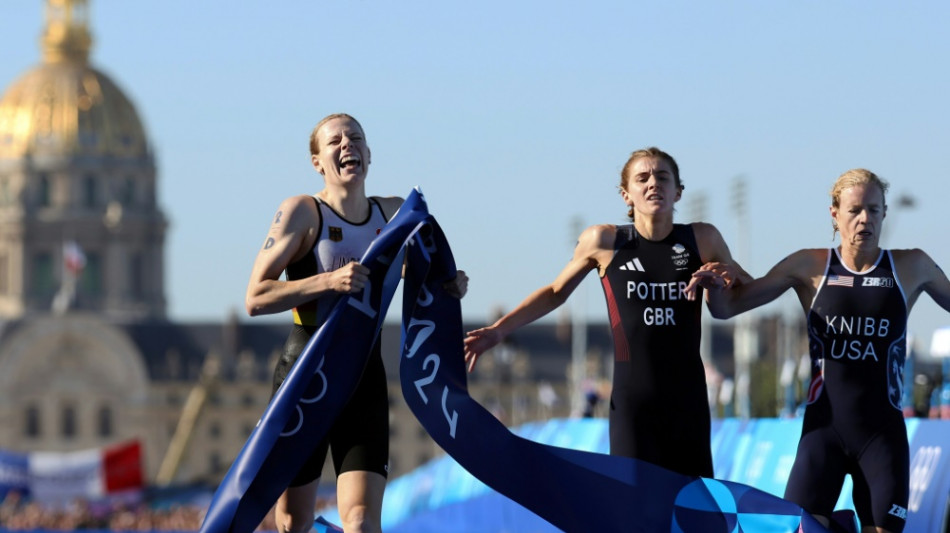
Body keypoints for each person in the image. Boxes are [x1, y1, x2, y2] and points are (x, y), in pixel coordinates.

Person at [463, 147, 749, 477]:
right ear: (627, 195)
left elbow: (746, 288)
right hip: (633, 405)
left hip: (688, 402)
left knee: (697, 516)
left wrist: (735, 277)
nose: (653, 183)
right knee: (635, 516)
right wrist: (500, 330)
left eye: (662, 177)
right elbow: (556, 292)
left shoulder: (703, 238)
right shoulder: (605, 241)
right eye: (642, 178)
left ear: (678, 191)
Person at [245, 113, 467, 533]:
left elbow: (423, 272)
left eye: (356, 138)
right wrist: (328, 280)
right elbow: (255, 297)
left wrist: (450, 282)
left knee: (363, 521)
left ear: (369, 155)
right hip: (306, 373)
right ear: (317, 161)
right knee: (293, 520)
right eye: (335, 141)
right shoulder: (302, 213)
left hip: (363, 375)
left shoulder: (395, 213)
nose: (347, 145)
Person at [694, 168, 950, 533]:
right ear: (834, 213)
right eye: (855, 210)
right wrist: (715, 287)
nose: (865, 219)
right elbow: (727, 309)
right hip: (823, 434)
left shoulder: (911, 266)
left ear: (884, 213)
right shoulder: (809, 265)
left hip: (883, 438)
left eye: (874, 210)